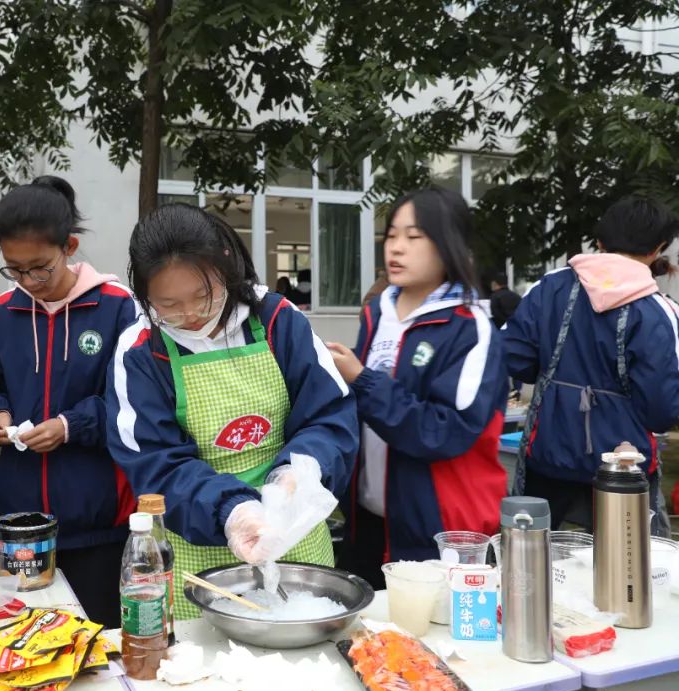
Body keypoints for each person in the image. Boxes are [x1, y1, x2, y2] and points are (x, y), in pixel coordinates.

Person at [107, 204, 357, 620]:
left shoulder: (278, 320)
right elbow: (156, 465)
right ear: (145, 295)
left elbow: (329, 416)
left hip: (296, 540)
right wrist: (234, 513)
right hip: (199, 549)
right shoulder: (140, 354)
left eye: (204, 296)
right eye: (168, 304)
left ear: (226, 266)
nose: (190, 316)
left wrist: (298, 473)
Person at [0, 176, 139, 627]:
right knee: (22, 638)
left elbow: (131, 403)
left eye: (39, 267)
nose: (28, 281)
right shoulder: (4, 311)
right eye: (14, 269)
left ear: (69, 246)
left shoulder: (117, 307)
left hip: (97, 516)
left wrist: (70, 426)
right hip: (17, 521)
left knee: (96, 643)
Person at [326, 188, 507, 589]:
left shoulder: (469, 327)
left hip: (440, 527)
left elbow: (443, 431)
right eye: (391, 235)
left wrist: (362, 380)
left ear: (448, 244)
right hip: (368, 516)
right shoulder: (378, 313)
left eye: (414, 236)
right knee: (369, 640)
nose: (397, 248)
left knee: (437, 644)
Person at [503, 196, 679, 537]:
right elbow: (661, 409)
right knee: (628, 572)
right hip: (624, 467)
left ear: (599, 242)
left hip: (546, 457)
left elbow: (514, 359)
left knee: (535, 564)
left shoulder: (548, 288)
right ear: (658, 248)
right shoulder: (658, 310)